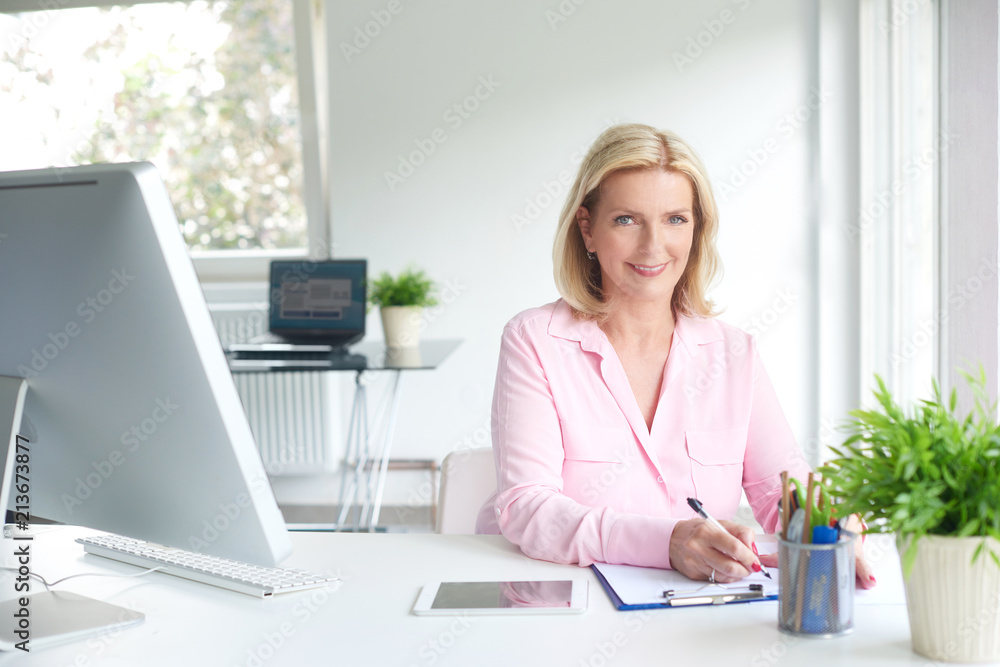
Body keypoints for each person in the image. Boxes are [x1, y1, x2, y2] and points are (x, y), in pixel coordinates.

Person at [476, 123, 875, 588]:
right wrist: (667, 542)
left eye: (675, 219)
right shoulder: (535, 340)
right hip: (559, 600)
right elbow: (528, 508)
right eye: (626, 219)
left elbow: (783, 495)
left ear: (696, 229)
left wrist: (834, 529)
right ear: (587, 229)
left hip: (696, 610)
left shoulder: (733, 352)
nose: (653, 246)